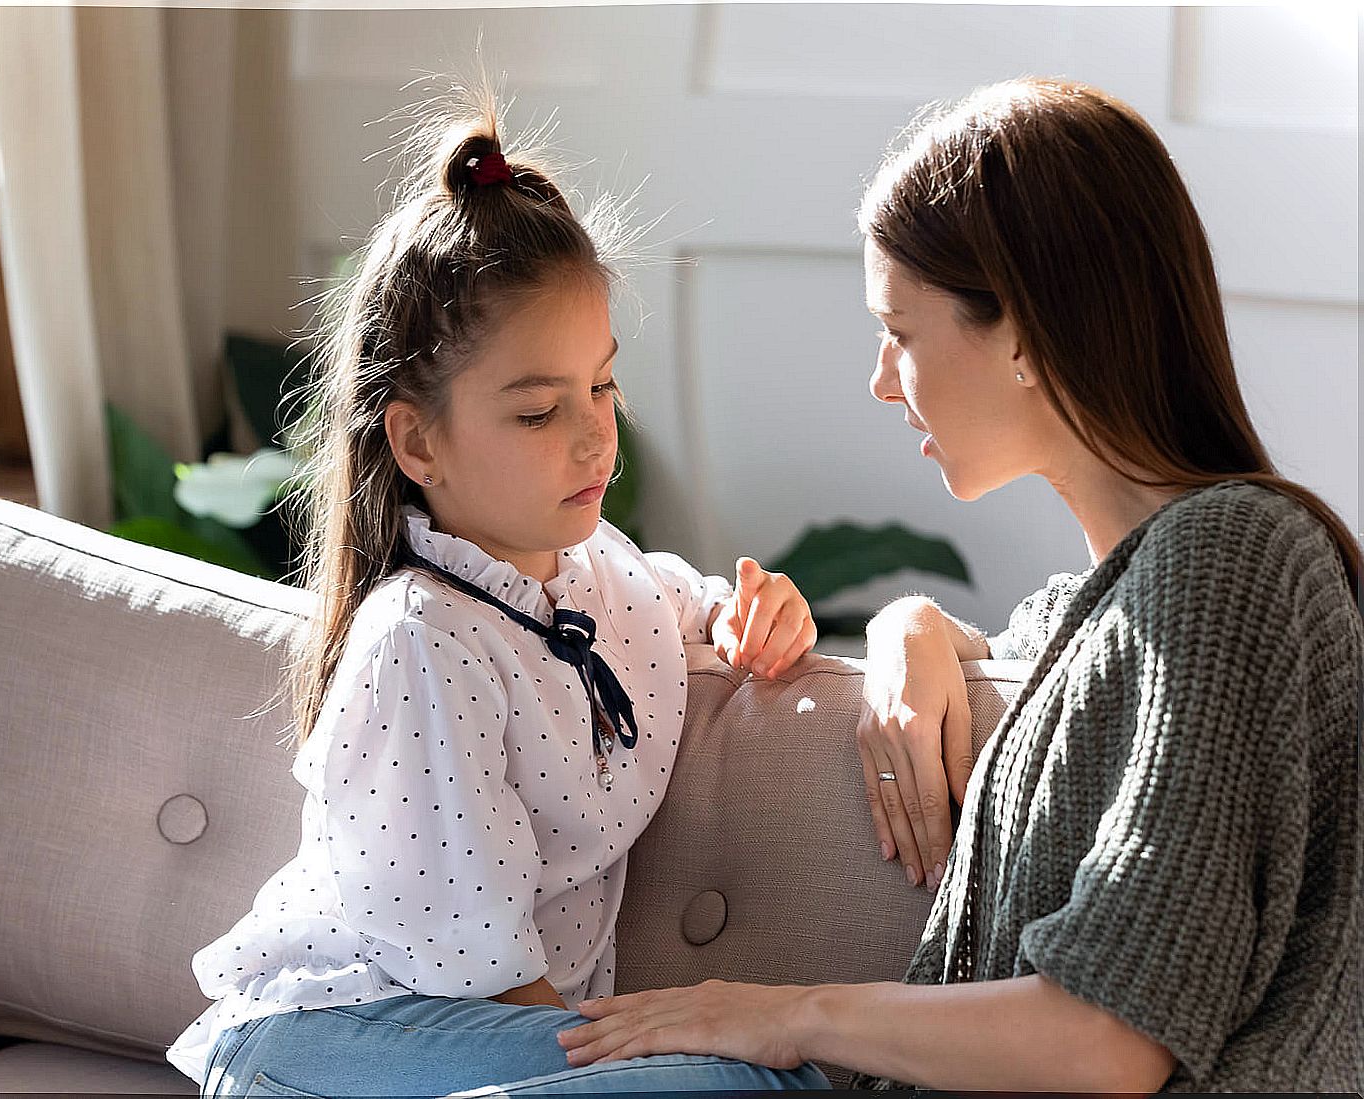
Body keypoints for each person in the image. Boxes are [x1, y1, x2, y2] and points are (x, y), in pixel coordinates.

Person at [556, 77, 1362, 1093]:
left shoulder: (1232, 559)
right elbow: (1030, 645)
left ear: (1021, 332)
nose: (882, 380)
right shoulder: (1126, 597)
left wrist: (778, 1013)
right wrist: (910, 624)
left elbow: (1108, 1039)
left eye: (898, 330)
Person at [164, 85, 830, 1097]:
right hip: (323, 1043)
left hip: (478, 1037)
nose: (594, 434)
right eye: (537, 412)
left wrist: (760, 613)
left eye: (601, 386)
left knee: (760, 1079)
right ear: (417, 440)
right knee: (741, 1087)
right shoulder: (421, 638)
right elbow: (482, 972)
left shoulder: (598, 571)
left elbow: (684, 606)